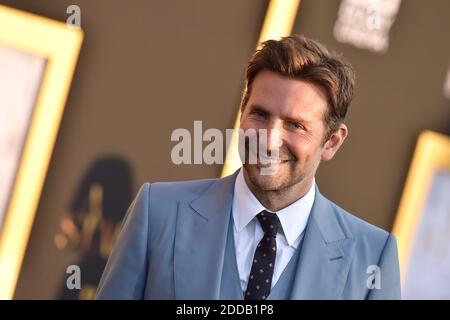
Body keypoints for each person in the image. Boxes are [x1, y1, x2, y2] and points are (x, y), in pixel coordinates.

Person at [96, 35, 401, 300]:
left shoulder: (372, 257)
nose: (269, 141)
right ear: (242, 112)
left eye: (295, 125)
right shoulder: (158, 212)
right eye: (260, 115)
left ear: (332, 141)